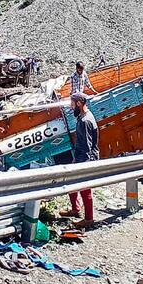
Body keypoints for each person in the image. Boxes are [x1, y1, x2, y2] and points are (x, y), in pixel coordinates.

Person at [59, 92, 99, 229]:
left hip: (85, 158)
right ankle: (75, 209)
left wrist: (83, 165)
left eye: (72, 104)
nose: (71, 107)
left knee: (84, 188)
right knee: (71, 182)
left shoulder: (85, 121)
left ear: (79, 103)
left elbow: (87, 146)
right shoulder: (83, 117)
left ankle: (89, 218)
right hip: (80, 156)